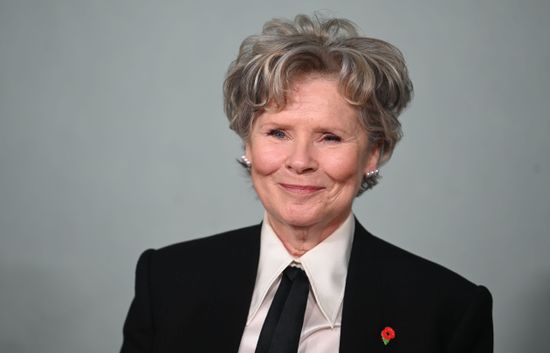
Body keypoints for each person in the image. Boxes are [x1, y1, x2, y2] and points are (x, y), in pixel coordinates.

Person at [120, 14, 493, 353]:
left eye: (330, 137)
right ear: (248, 144)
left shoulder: (448, 310)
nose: (299, 162)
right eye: (278, 133)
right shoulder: (167, 281)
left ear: (373, 153)